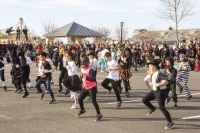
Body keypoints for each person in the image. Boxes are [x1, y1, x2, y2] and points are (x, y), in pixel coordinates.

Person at [142, 59, 174, 130]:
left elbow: (166, 82)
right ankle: (152, 108)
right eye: (149, 66)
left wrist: (156, 85)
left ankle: (170, 122)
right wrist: (150, 85)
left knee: (162, 107)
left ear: (155, 66)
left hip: (160, 92)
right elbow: (147, 81)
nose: (149, 68)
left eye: (150, 66)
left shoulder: (160, 73)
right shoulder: (152, 73)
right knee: (144, 100)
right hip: (154, 91)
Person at [77, 56, 102, 121]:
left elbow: (93, 78)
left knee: (93, 101)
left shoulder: (90, 69)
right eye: (81, 63)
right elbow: (81, 78)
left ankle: (99, 114)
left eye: (83, 63)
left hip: (92, 87)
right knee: (80, 99)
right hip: (86, 87)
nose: (82, 65)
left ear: (87, 63)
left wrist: (86, 77)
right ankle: (82, 110)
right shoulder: (82, 69)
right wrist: (78, 82)